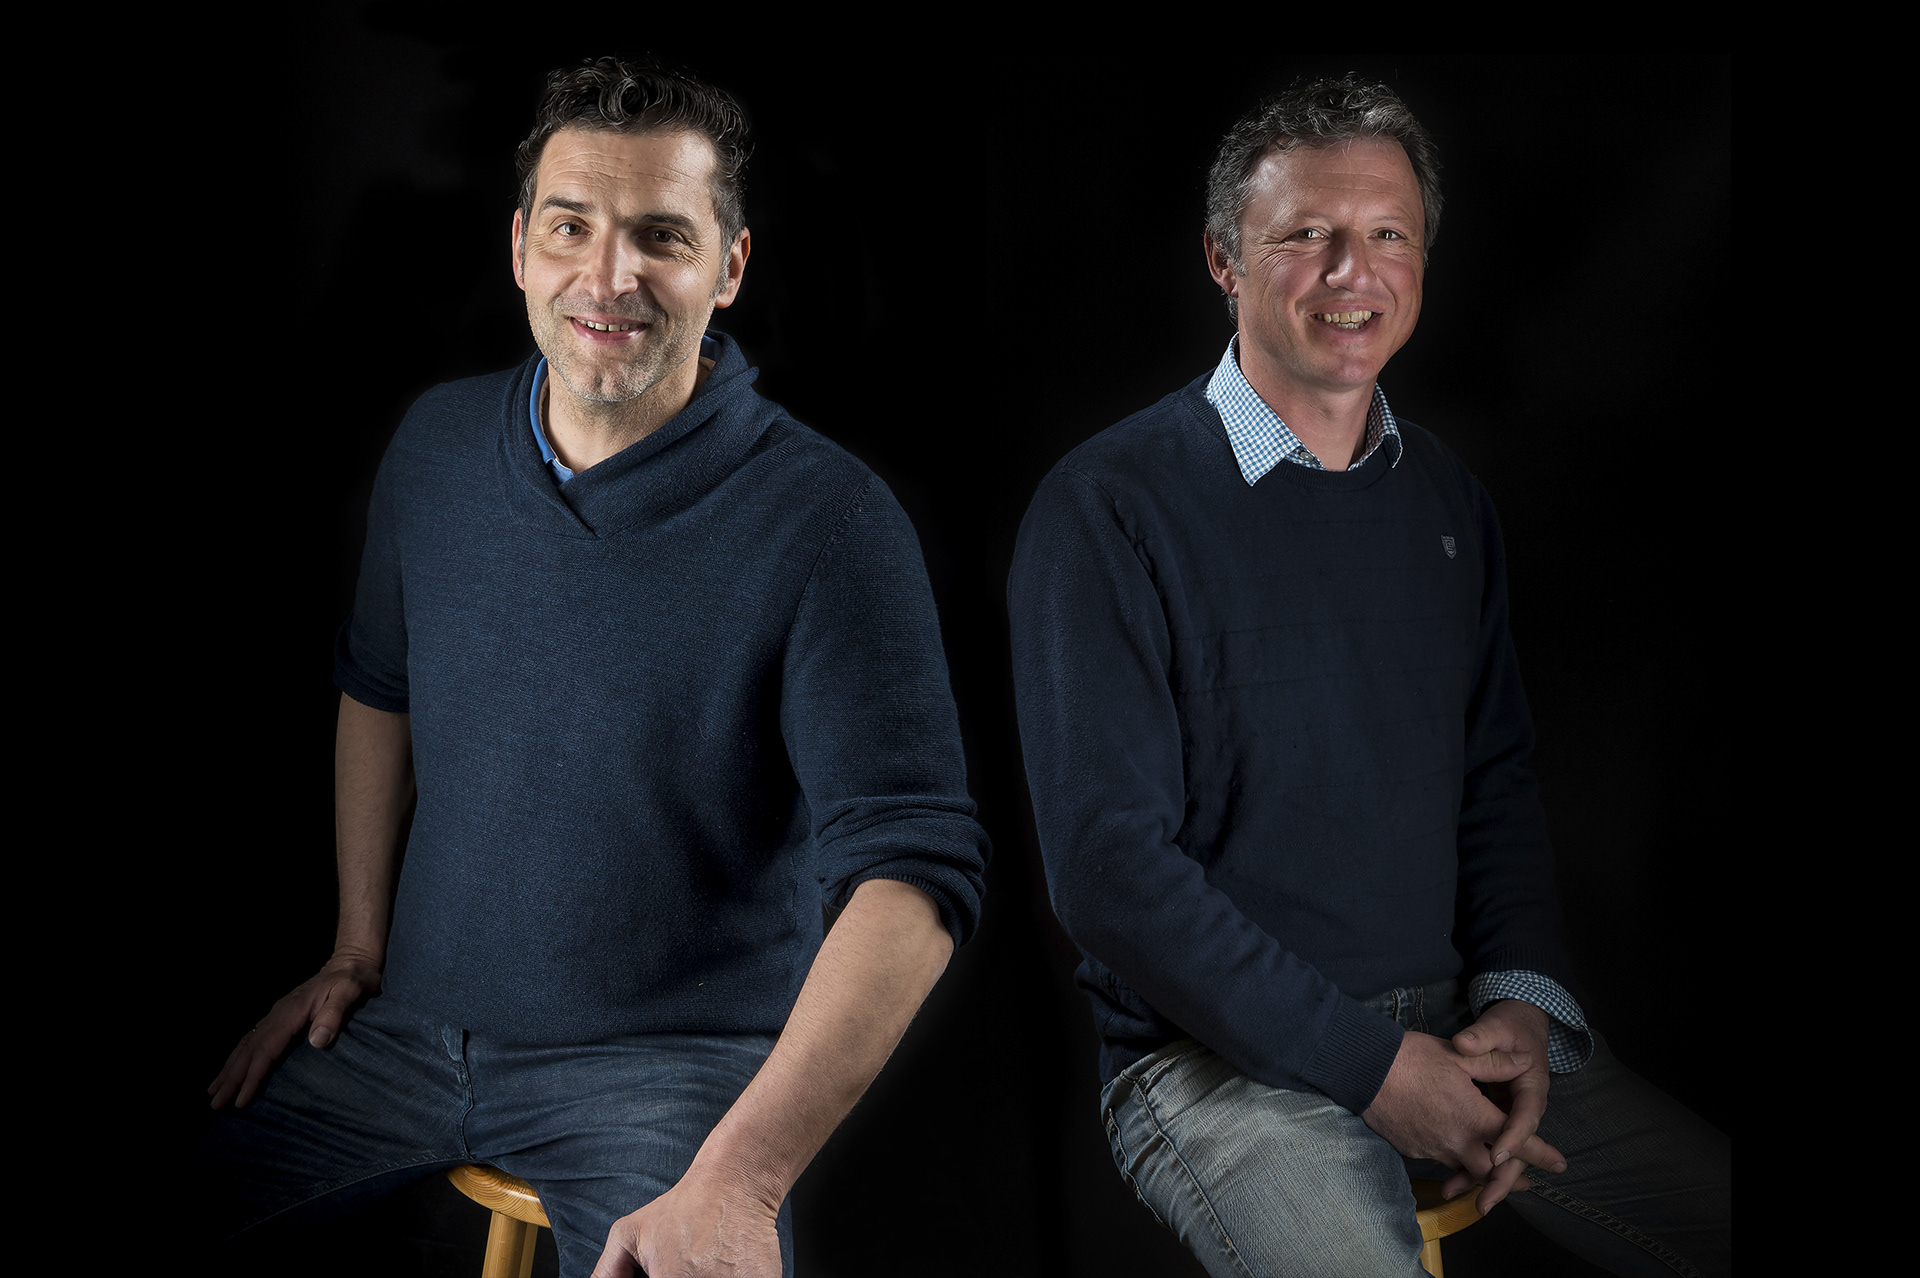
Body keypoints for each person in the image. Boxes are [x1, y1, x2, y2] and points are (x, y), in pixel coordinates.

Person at [204, 56, 988, 1278]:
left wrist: (742, 1178)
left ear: (730, 267)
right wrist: (357, 950)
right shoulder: (437, 447)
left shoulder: (829, 519)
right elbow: (378, 689)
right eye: (571, 227)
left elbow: (915, 880)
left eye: (661, 236)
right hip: (404, 1036)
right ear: (521, 247)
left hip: (663, 1074)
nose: (608, 276)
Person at [1007, 77, 1729, 1277]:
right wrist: (1371, 1067)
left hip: (1462, 1031)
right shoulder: (1108, 508)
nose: (1355, 270)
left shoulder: (1445, 497)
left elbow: (1494, 781)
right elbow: (1107, 870)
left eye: (1389, 233)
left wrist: (1522, 1006)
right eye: (1307, 233)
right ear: (1225, 260)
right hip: (1218, 1067)